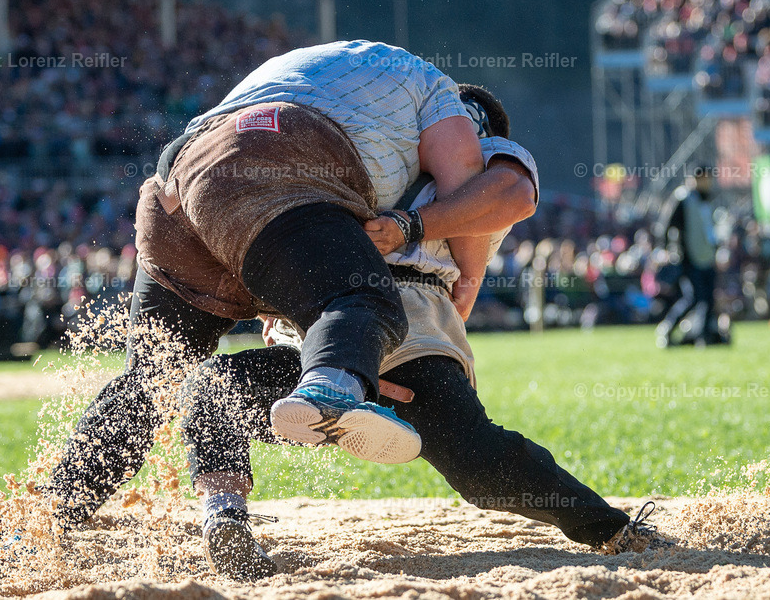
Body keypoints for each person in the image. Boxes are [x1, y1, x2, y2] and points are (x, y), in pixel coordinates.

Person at [181, 88, 668, 580]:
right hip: (328, 328)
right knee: (217, 387)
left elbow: (513, 191)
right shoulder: (369, 152)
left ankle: (614, 530)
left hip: (407, 320)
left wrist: (410, 225)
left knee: (479, 463)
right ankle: (226, 520)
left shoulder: (478, 151)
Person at [44, 40, 492, 526]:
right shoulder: (439, 93)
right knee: (360, 298)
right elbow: (466, 180)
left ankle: (49, 516)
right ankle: (331, 394)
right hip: (266, 164)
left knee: (152, 381)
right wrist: (465, 282)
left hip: (175, 189)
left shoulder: (330, 71)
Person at [656, 166, 727, 347]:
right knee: (694, 298)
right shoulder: (682, 198)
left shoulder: (706, 200)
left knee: (708, 299)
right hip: (688, 257)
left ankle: (703, 338)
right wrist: (665, 249)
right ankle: (667, 329)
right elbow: (666, 225)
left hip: (707, 256)